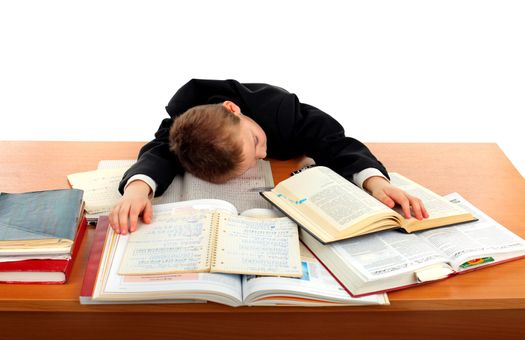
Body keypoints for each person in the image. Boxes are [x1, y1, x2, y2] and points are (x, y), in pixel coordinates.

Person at [110, 79, 428, 234]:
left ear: (232, 109)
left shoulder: (282, 114)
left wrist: (373, 182)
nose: (263, 154)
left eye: (257, 142)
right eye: (249, 163)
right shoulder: (184, 124)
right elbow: (158, 153)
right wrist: (137, 190)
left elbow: (333, 142)